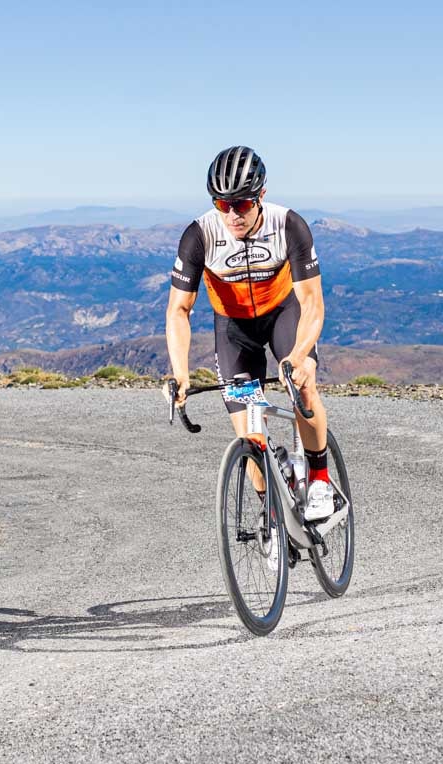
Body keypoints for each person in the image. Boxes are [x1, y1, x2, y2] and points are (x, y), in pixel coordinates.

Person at [163, 145, 337, 520]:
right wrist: (180, 371)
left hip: (283, 314)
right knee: (249, 429)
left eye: (240, 204)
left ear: (260, 196)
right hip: (233, 327)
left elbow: (313, 304)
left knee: (303, 386)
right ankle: (272, 517)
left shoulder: (288, 225)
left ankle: (320, 478)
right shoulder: (200, 235)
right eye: (222, 204)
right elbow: (179, 309)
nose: (232, 214)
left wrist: (301, 355)